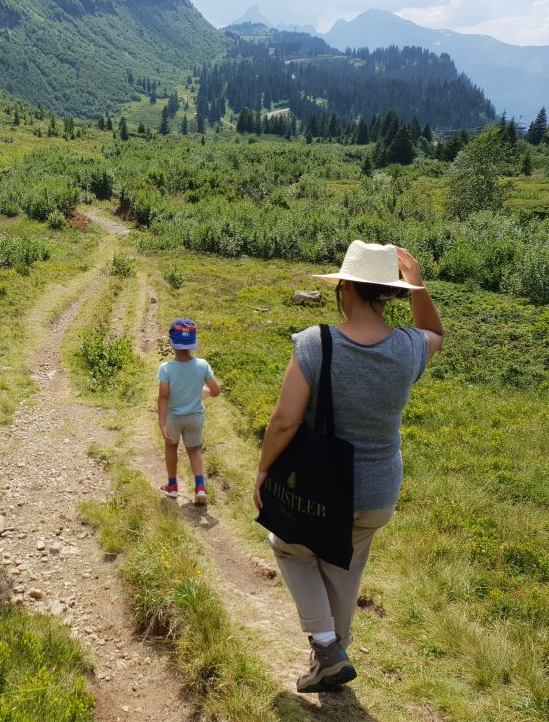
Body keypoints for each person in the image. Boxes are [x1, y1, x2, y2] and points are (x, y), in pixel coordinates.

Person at [253, 241, 443, 693]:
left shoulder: (315, 343)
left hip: (321, 486)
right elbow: (435, 331)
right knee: (345, 563)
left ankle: (324, 645)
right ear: (389, 293)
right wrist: (418, 286)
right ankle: (334, 654)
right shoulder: (410, 347)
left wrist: (263, 470)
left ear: (343, 288)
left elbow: (284, 421)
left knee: (289, 546)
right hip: (377, 492)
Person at [157, 318, 221, 505]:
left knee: (171, 448)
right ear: (193, 343)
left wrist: (162, 423)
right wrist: (202, 391)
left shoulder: (166, 368)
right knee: (194, 450)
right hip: (195, 417)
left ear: (171, 342)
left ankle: (173, 486)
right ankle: (200, 487)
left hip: (173, 418)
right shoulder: (202, 365)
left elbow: (163, 397)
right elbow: (215, 391)